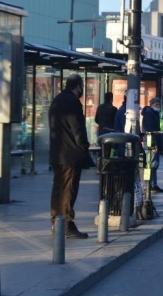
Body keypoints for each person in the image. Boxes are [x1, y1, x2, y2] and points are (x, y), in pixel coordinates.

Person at [48, 73, 93, 239]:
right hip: (70, 155)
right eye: (82, 87)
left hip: (57, 153)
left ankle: (56, 222)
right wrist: (84, 146)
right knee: (68, 190)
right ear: (78, 86)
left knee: (58, 190)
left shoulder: (57, 100)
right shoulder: (72, 102)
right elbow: (77, 128)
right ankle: (66, 224)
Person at [141, 97, 163, 193]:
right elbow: (150, 130)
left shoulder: (153, 113)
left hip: (151, 142)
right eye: (156, 105)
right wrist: (154, 144)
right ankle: (148, 184)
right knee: (151, 165)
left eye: (159, 105)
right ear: (151, 105)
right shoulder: (150, 114)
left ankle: (152, 184)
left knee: (152, 165)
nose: (158, 106)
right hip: (150, 143)